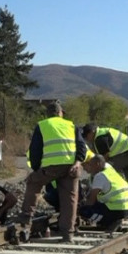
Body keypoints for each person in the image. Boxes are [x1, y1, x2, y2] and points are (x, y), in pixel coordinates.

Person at [18, 102, 88, 242]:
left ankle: (25, 223)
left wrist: (37, 170)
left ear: (48, 114)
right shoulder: (71, 125)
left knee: (33, 183)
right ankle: (68, 234)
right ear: (60, 113)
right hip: (71, 167)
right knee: (70, 199)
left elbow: (35, 150)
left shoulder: (42, 125)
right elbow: (82, 147)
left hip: (50, 167)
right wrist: (77, 162)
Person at [81, 123, 128, 213]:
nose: (86, 139)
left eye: (86, 136)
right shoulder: (103, 132)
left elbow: (103, 160)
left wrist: (96, 177)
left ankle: (112, 197)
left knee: (109, 171)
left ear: (92, 132)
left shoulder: (99, 139)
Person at [79, 154, 128, 234]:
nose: (89, 168)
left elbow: (91, 201)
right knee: (98, 204)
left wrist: (80, 208)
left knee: (85, 211)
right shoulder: (109, 171)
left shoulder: (99, 176)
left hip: (118, 209)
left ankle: (110, 222)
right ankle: (111, 221)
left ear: (97, 164)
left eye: (91, 165)